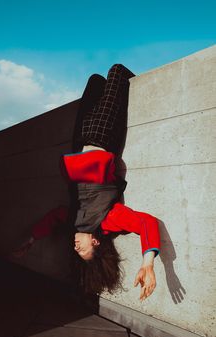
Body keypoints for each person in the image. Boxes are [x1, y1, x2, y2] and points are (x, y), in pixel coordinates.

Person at [12, 64, 160, 301]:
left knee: (94, 81)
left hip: (78, 143)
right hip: (101, 138)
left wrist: (31, 241)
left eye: (77, 251)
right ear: (95, 242)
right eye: (83, 250)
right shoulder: (108, 221)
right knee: (117, 72)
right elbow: (147, 223)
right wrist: (148, 263)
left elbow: (53, 217)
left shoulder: (74, 221)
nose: (76, 247)